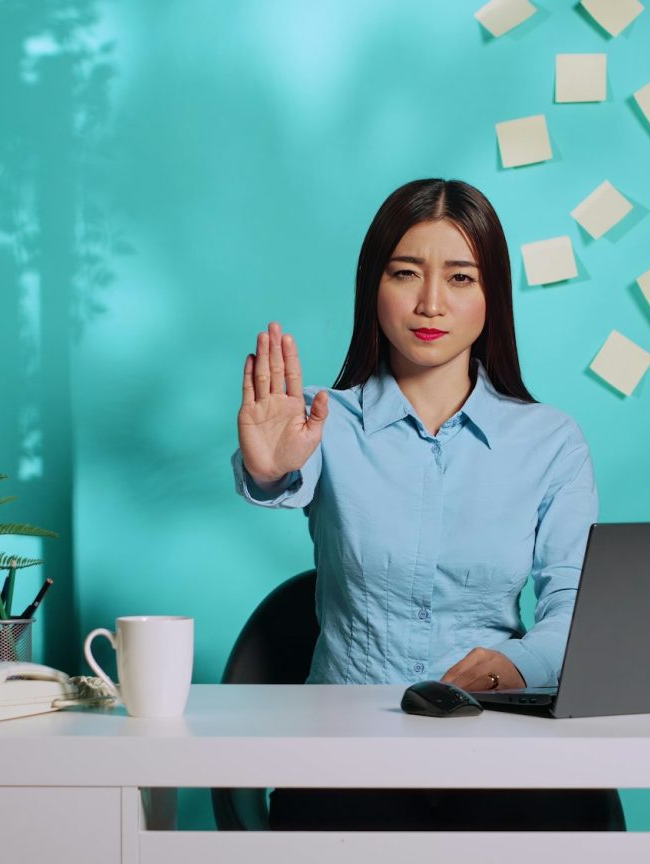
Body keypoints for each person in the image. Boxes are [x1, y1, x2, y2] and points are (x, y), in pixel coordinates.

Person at [232, 178, 622, 831]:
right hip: (345, 755)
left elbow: (577, 606)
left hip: (500, 743)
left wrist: (517, 665)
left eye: (461, 278)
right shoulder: (324, 421)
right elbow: (285, 476)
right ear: (373, 287)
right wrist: (269, 470)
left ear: (493, 295)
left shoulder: (551, 441)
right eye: (406, 273)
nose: (431, 302)